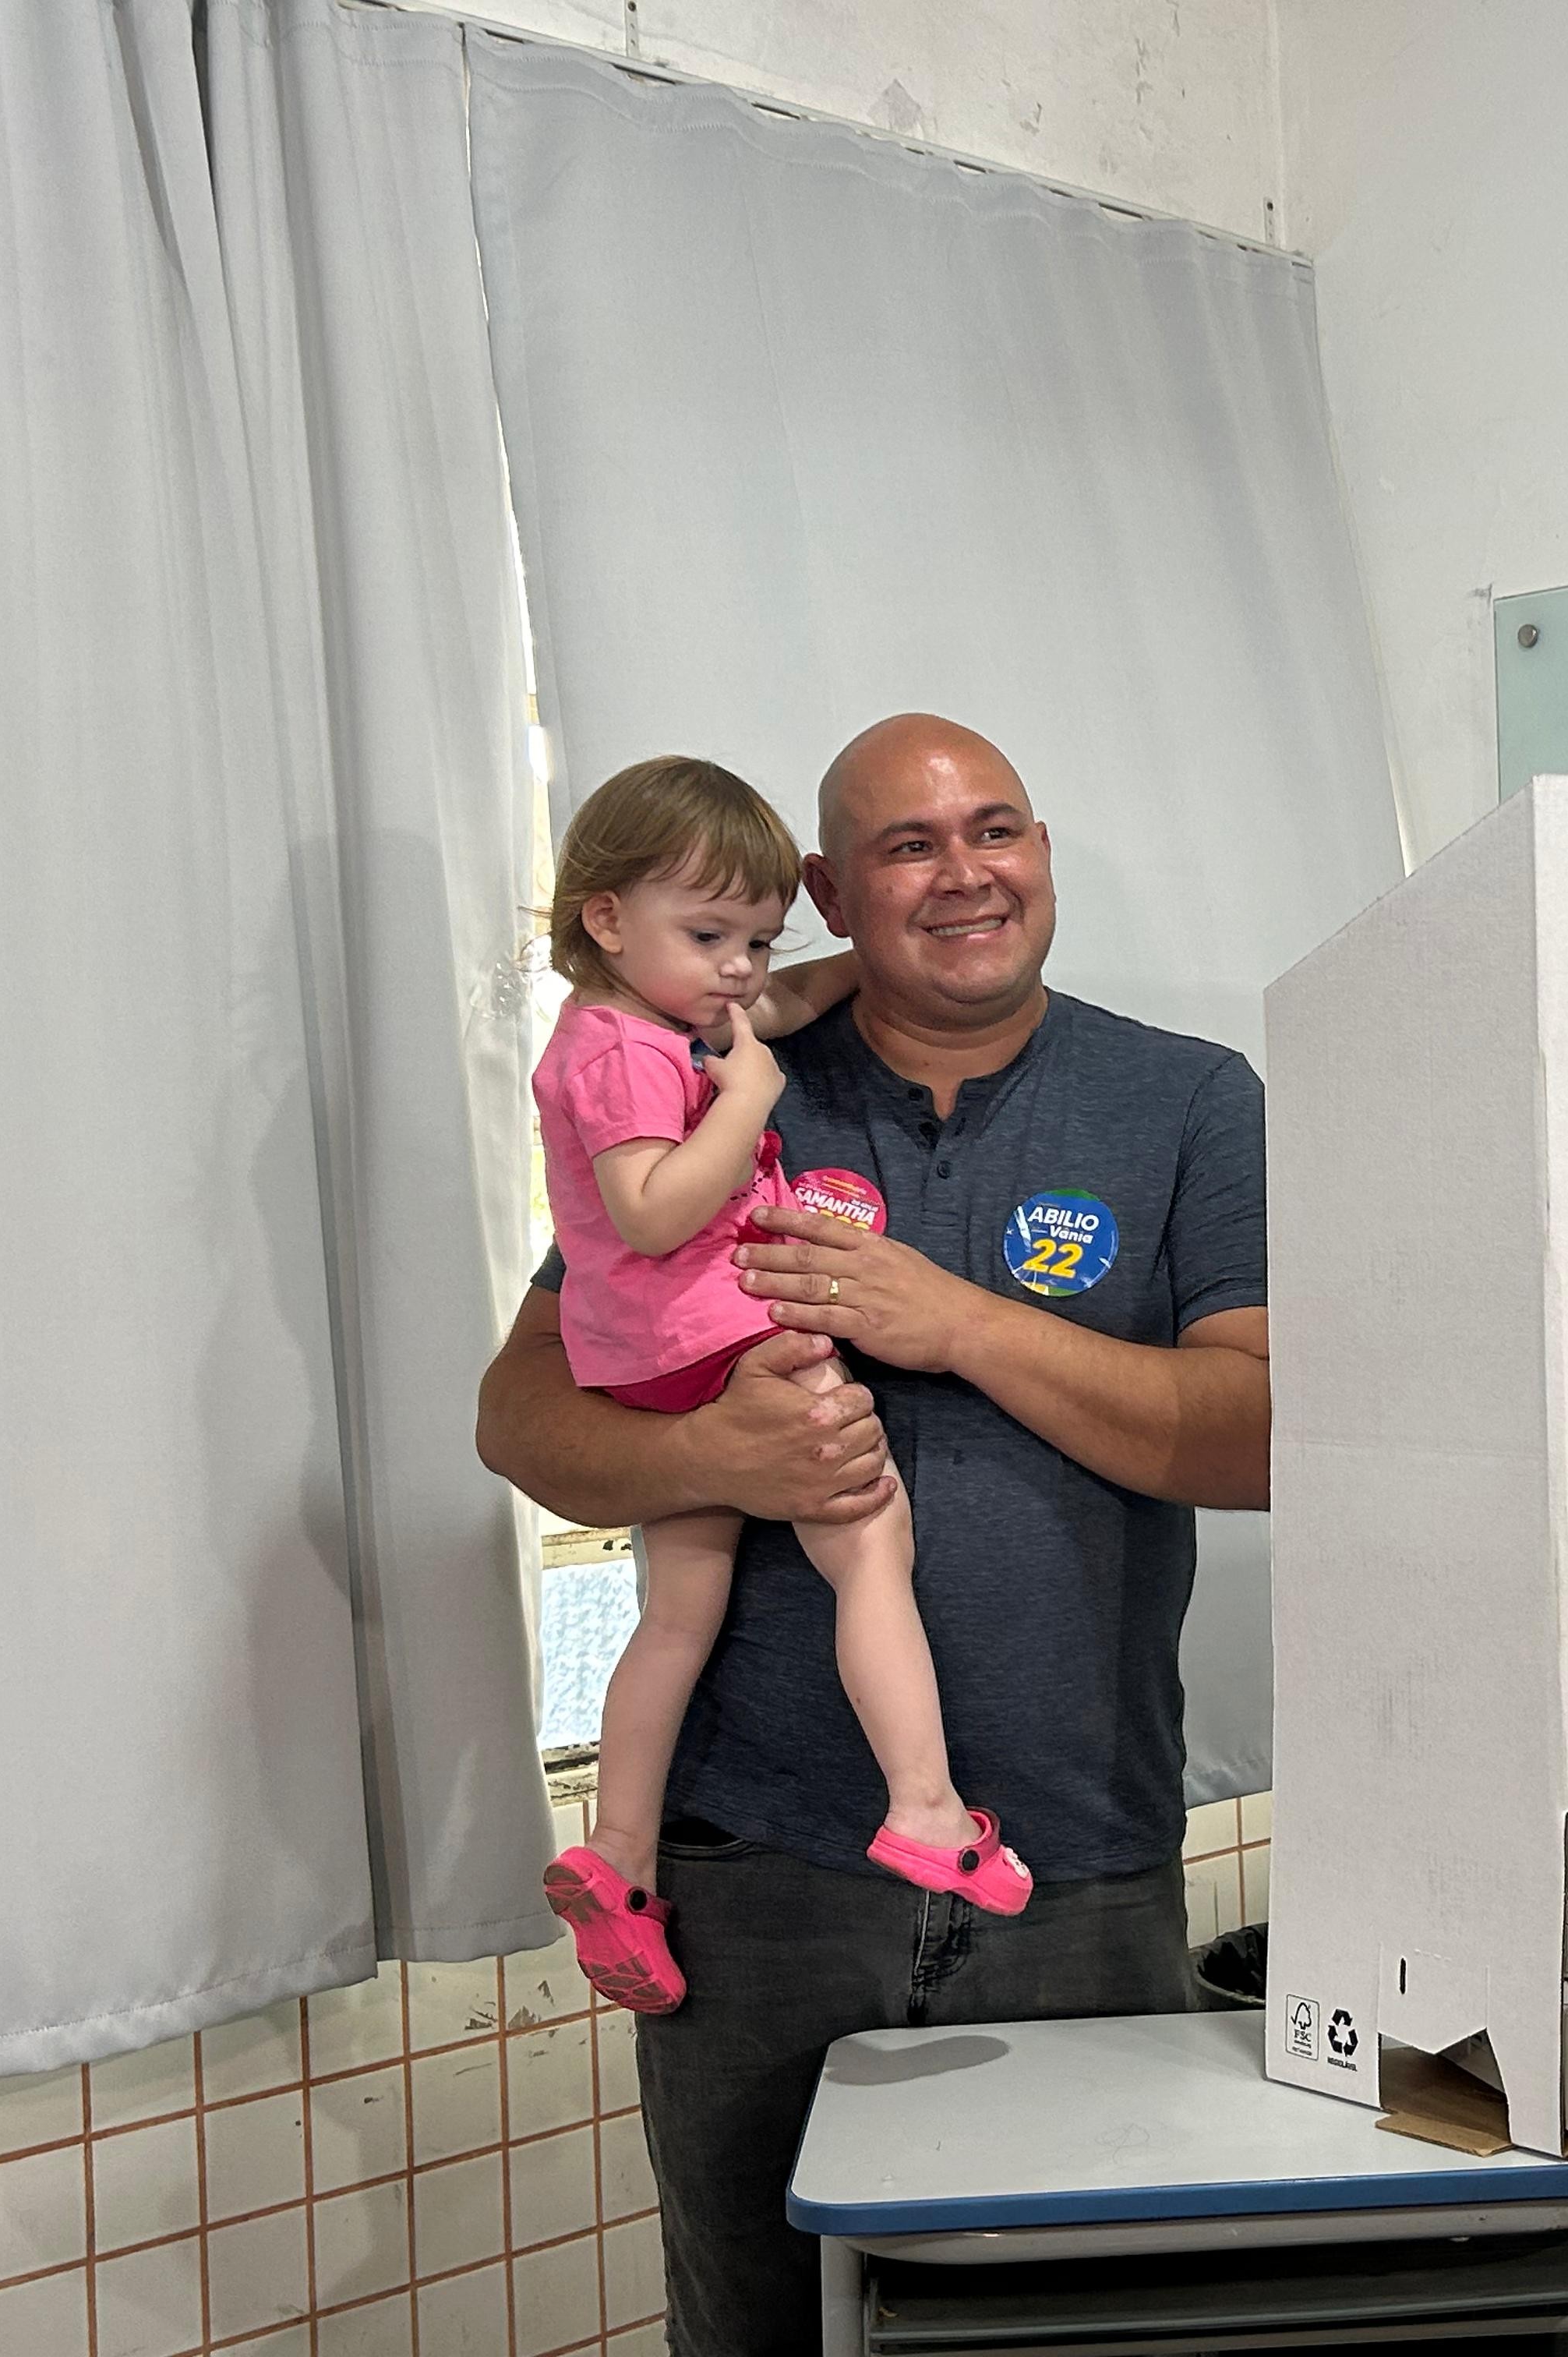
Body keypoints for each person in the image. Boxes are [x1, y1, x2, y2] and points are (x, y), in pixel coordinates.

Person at [474, 713, 1270, 2353]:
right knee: (766, 2326)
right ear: (835, 891)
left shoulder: (1183, 1100)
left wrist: (958, 1324)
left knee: (1097, 2330)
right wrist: (712, 1450)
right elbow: (525, 1419)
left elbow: (1259, 1438)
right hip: (755, 1881)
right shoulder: (708, 1076)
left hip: (1074, 1865)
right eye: (911, 846)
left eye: (1000, 828)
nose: (967, 871)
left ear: (1045, 852)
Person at [531, 757, 1031, 2019]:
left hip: (648, 1367)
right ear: (604, 917)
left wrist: (869, 951)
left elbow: (786, 999)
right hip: (723, 1330)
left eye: (757, 938)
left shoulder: (658, 1014)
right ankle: (924, 1804)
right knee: (868, 1542)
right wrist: (746, 1095)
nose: (741, 972)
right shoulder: (627, 1054)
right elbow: (649, 1212)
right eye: (709, 936)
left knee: (678, 1615)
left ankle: (620, 1860)